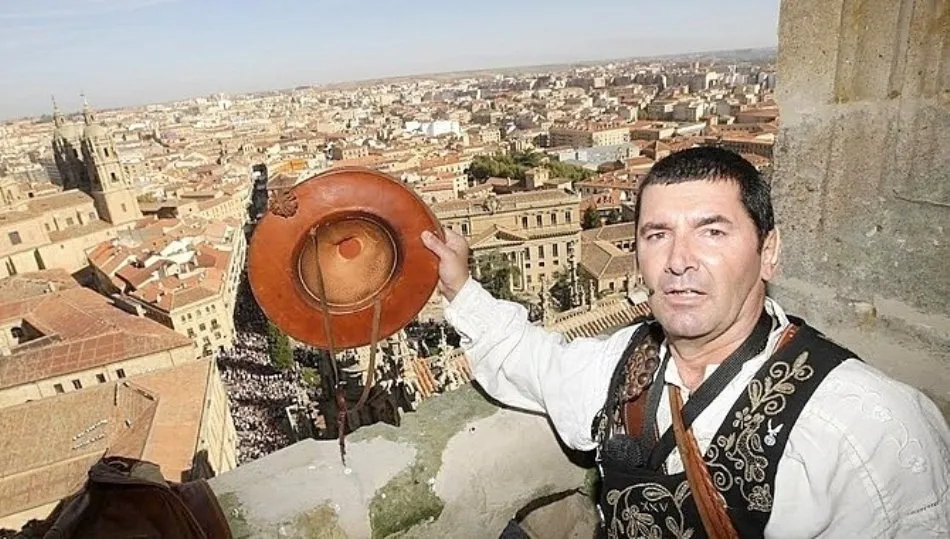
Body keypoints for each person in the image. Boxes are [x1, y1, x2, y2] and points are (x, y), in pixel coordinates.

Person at [420, 147, 950, 538]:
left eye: (712, 232)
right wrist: (459, 286)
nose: (679, 260)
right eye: (657, 235)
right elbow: (529, 360)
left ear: (769, 252)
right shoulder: (619, 362)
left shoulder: (866, 428)